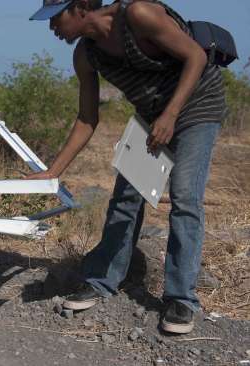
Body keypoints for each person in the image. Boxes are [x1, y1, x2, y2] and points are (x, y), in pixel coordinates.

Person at [28, 0, 225, 334]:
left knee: (184, 197)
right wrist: (53, 171)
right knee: (124, 199)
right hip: (152, 115)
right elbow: (87, 118)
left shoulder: (137, 15)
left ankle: (181, 299)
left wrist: (171, 115)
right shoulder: (85, 56)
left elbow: (197, 57)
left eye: (56, 18)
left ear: (80, 8)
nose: (52, 28)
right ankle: (102, 280)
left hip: (196, 108)